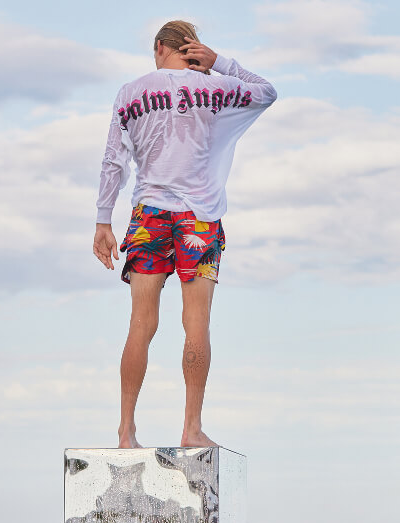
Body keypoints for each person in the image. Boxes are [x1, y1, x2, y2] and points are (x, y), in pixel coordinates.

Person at [93, 20, 277, 449]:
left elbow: (113, 162)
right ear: (193, 50)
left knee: (140, 323)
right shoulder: (215, 89)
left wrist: (104, 219)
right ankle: (191, 429)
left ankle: (126, 432)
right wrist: (222, 63)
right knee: (196, 324)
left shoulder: (131, 92)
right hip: (200, 217)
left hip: (149, 214)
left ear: (160, 47)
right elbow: (267, 91)